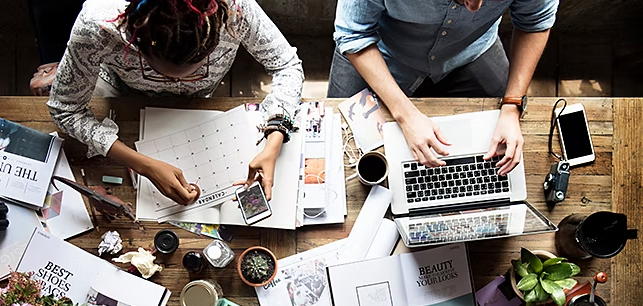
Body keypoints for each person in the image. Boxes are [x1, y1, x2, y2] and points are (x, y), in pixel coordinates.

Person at [48, 0, 303, 205]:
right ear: (137, 44)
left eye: (195, 70)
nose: (173, 82)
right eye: (163, 73)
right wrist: (142, 164)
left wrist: (274, 139)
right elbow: (65, 108)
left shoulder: (237, 10)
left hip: (200, 103)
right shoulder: (97, 25)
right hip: (121, 93)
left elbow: (287, 66)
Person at [328, 0, 559, 176]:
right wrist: (406, 116)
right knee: (334, 148)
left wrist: (512, 105)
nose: (475, 7)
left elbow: (535, 22)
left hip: (470, 51)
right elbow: (353, 33)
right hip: (378, 50)